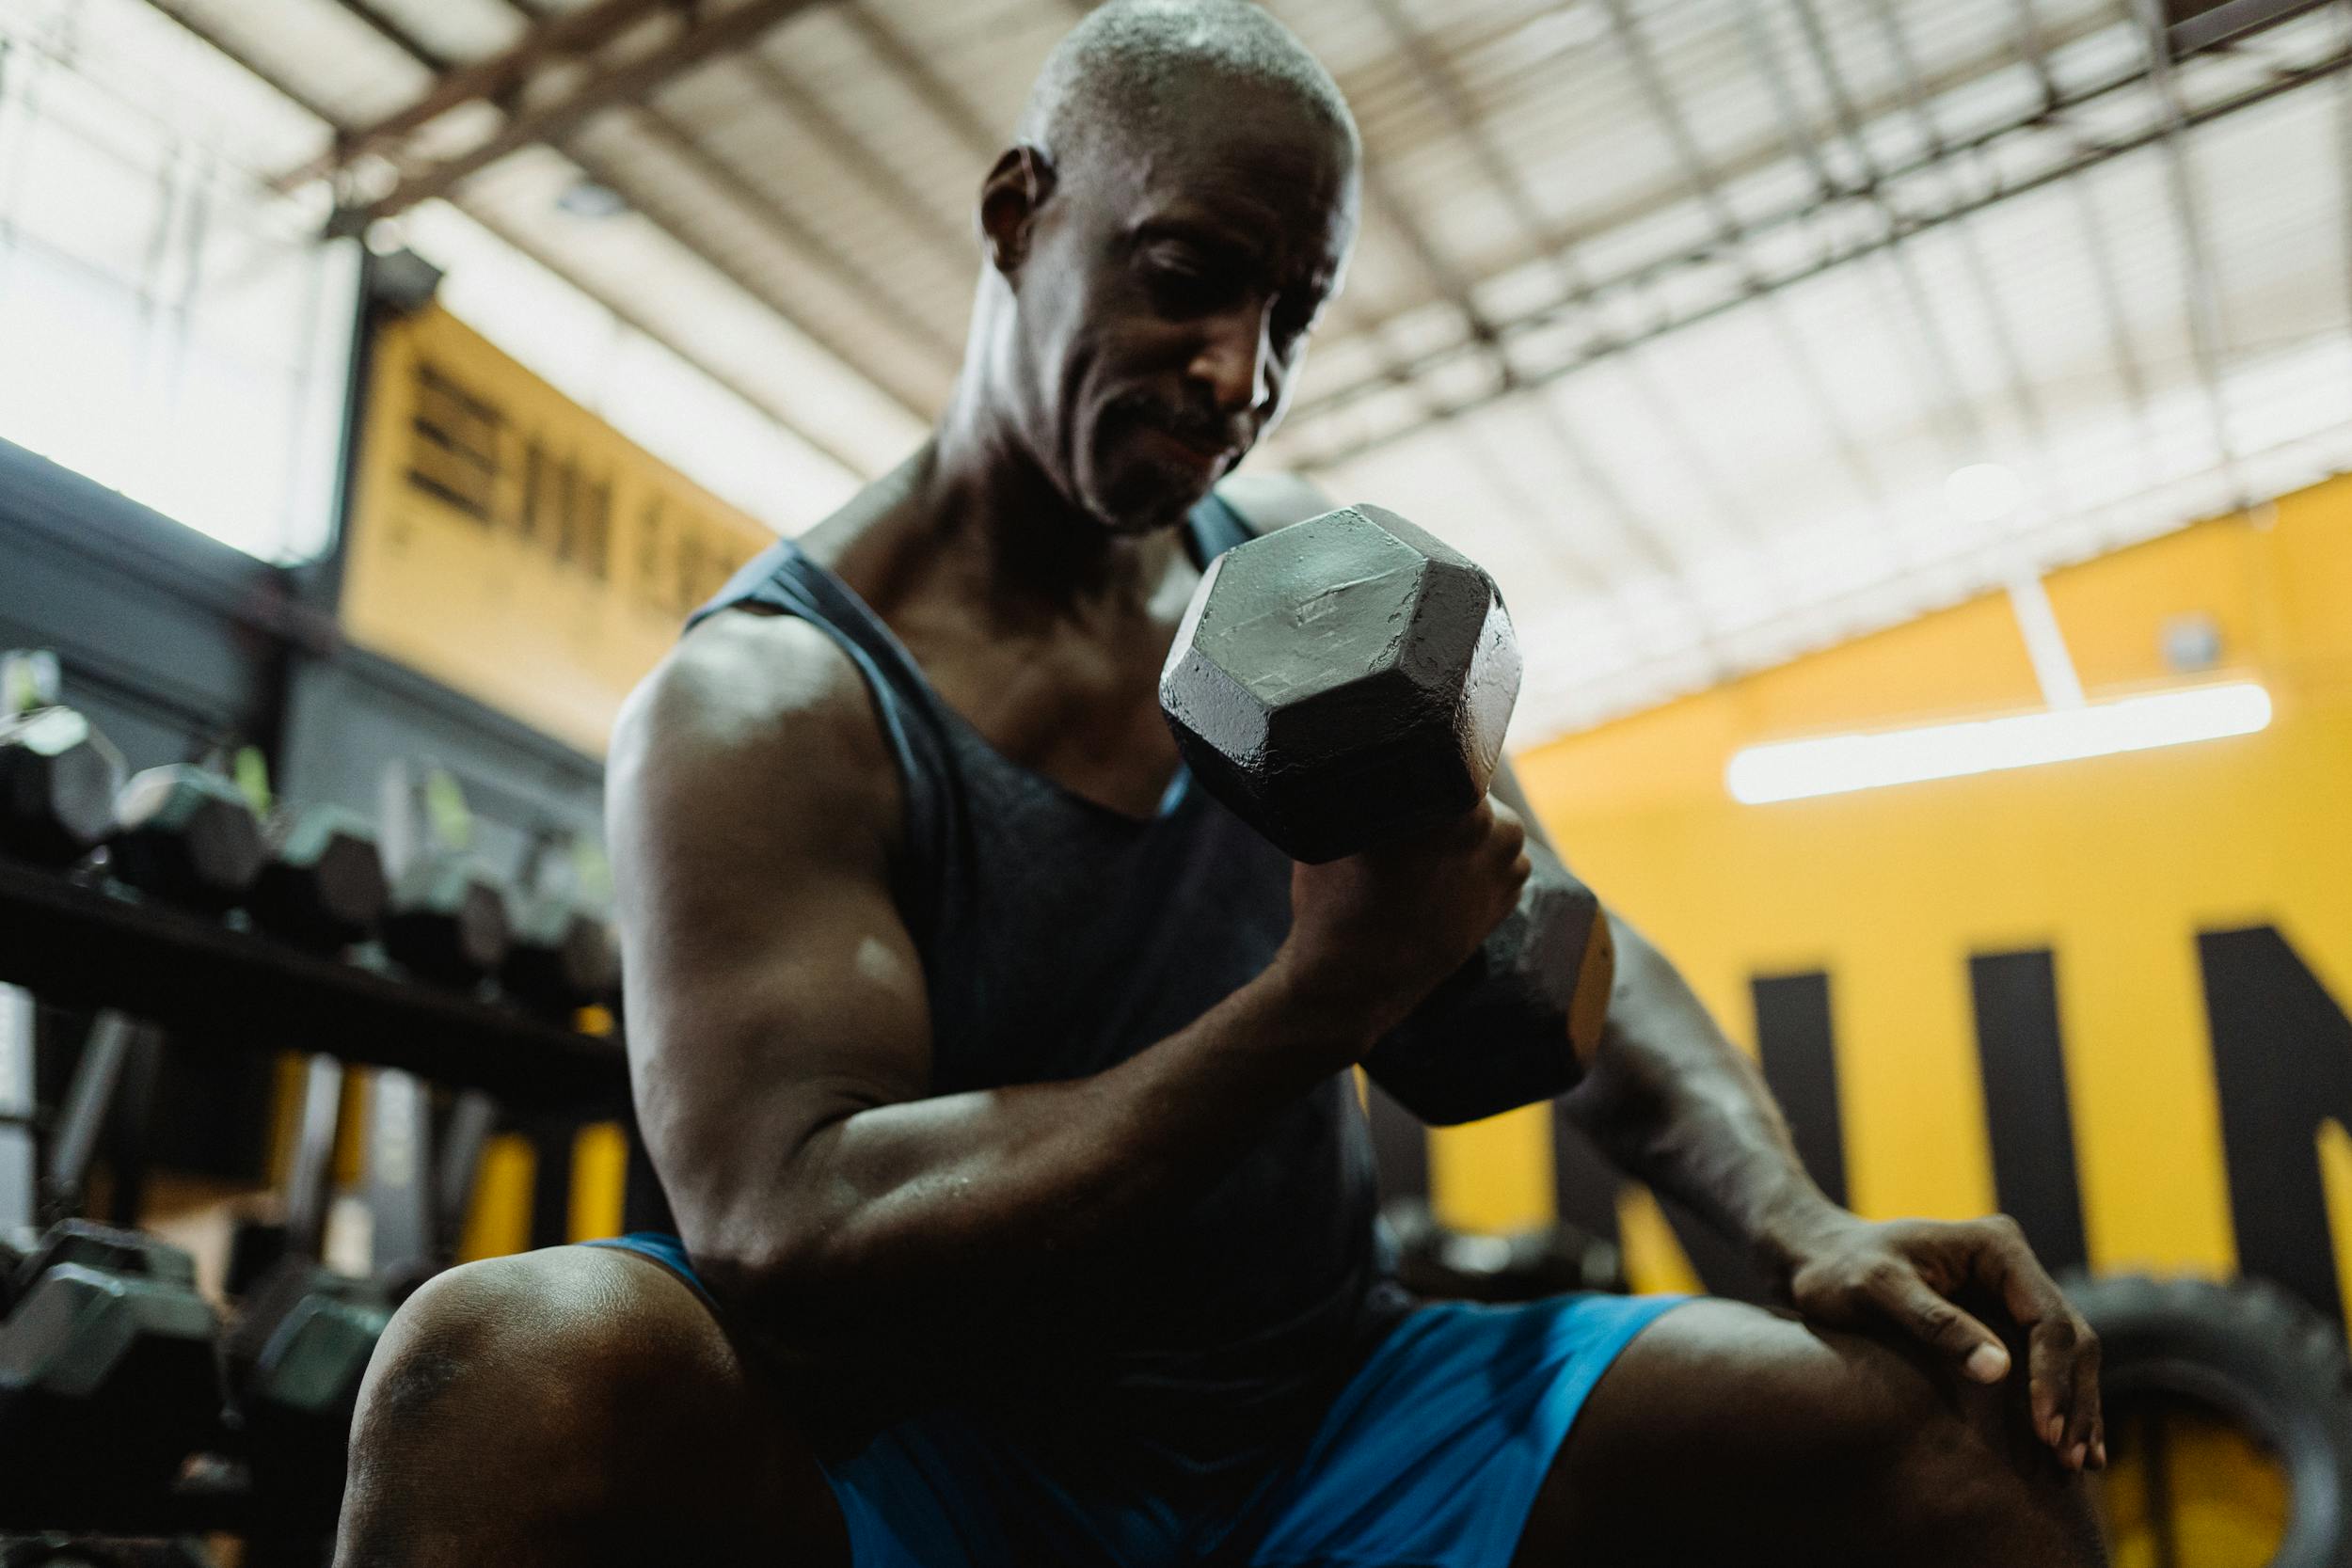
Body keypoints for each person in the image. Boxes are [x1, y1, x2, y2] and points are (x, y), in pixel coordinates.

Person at [334, 4, 2107, 1564]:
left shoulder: (1309, 594)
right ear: (1021, 215)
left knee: (1948, 1409)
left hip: (1335, 1414)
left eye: (1294, 312)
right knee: (499, 1368)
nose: (1238, 376)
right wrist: (1314, 1006)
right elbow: (797, 1226)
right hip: (941, 1454)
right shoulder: (769, 703)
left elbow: (1560, 932)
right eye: (1189, 278)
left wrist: (1800, 1224)